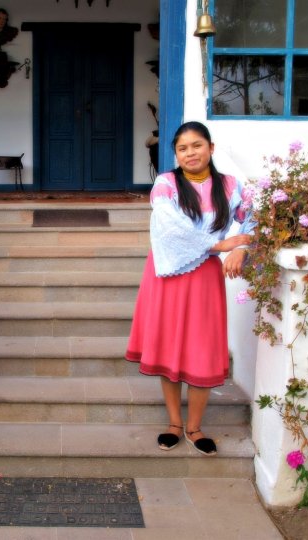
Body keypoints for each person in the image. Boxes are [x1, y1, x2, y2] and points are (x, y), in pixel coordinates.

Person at [126, 121, 255, 456]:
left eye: (196, 145)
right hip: (166, 274)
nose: (190, 153)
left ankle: (195, 427)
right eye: (182, 148)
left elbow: (254, 216)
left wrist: (241, 248)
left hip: (204, 278)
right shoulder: (166, 184)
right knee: (169, 345)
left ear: (211, 148)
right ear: (176, 154)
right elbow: (171, 228)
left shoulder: (230, 186)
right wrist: (223, 243)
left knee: (202, 347)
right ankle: (174, 423)